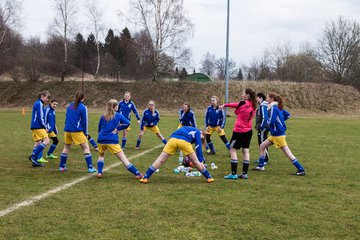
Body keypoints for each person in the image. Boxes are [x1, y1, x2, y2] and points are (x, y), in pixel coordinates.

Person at [254, 93, 306, 176]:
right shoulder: (276, 107)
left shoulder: (274, 108)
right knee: (262, 146)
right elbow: (287, 115)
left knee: (288, 153)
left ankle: (301, 169)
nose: (266, 100)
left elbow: (271, 121)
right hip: (274, 135)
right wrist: (280, 122)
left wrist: (269, 124)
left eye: (267, 98)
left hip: (278, 136)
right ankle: (261, 166)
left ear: (272, 99)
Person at [139, 126, 214, 183]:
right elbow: (198, 147)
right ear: (202, 133)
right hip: (183, 141)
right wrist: (201, 161)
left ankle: (145, 177)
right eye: (202, 138)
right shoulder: (198, 132)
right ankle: (209, 177)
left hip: (172, 140)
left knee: (160, 160)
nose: (201, 139)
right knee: (196, 162)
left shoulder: (187, 129)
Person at [96, 99, 142, 179]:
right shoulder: (118, 115)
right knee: (123, 159)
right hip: (112, 140)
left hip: (101, 139)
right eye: (117, 106)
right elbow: (128, 123)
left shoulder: (103, 116)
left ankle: (99, 172)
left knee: (101, 155)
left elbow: (99, 128)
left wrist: (101, 135)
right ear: (115, 107)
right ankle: (137, 174)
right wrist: (118, 129)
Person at [220, 88, 256, 180]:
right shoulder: (254, 104)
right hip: (249, 131)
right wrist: (226, 105)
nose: (242, 94)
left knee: (232, 149)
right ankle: (244, 174)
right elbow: (235, 105)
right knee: (246, 151)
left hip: (239, 131)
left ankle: (233, 173)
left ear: (247, 95)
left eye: (243, 93)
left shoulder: (243, 103)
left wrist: (225, 105)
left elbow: (236, 111)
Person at [58, 91, 96, 173]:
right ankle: (90, 167)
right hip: (76, 131)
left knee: (66, 147)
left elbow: (66, 117)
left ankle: (62, 166)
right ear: (83, 98)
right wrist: (85, 133)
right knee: (86, 148)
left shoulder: (70, 106)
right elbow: (85, 121)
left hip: (67, 130)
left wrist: (66, 126)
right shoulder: (83, 107)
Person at [28, 90, 51, 167]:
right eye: (47, 98)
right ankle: (33, 156)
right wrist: (44, 127)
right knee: (46, 140)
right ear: (42, 96)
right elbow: (40, 117)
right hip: (38, 126)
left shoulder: (37, 103)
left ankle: (34, 161)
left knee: (38, 142)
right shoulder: (40, 104)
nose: (48, 100)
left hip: (35, 126)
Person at [254, 92, 269, 164]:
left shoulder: (263, 106)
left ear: (260, 98)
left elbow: (265, 118)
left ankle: (265, 159)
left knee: (262, 143)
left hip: (263, 128)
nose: (256, 99)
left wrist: (261, 127)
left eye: (257, 97)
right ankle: (262, 158)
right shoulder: (261, 105)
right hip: (261, 127)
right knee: (261, 143)